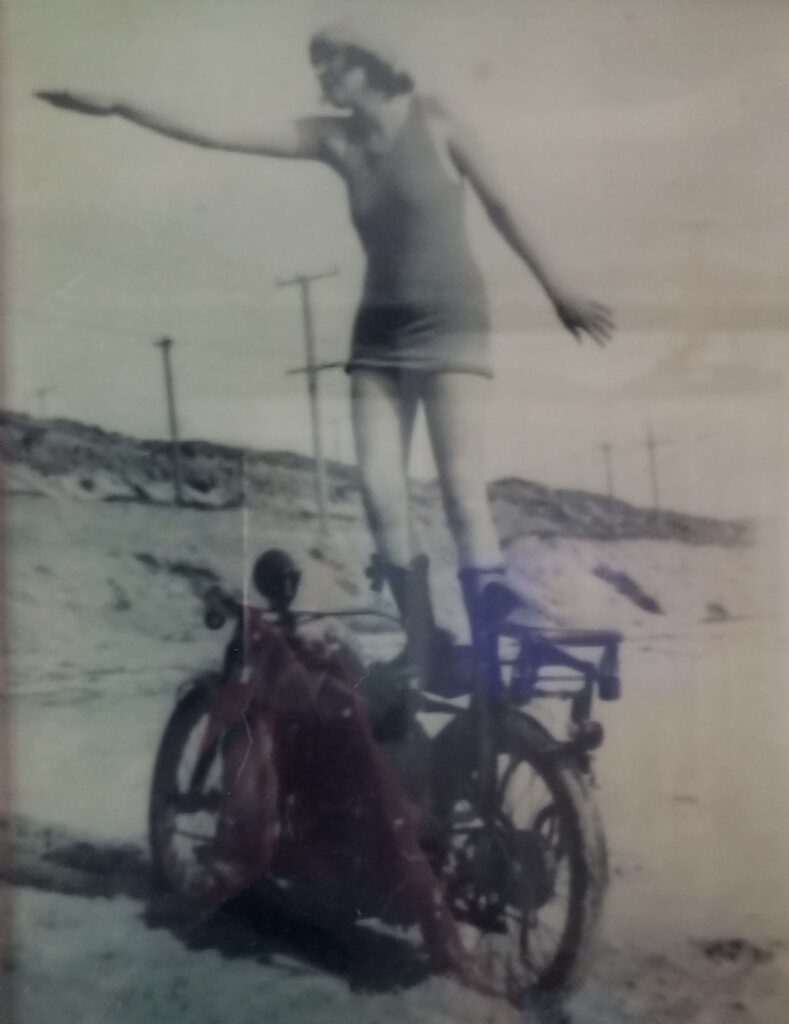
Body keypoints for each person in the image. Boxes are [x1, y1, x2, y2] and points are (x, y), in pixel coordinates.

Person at [37, 17, 613, 688]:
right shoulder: (332, 138)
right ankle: (423, 639)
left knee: (459, 488)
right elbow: (217, 131)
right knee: (375, 488)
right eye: (319, 66)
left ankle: (487, 644)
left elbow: (504, 206)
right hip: (378, 333)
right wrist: (117, 106)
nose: (322, 77)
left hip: (452, 321)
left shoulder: (436, 121)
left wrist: (559, 290)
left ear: (371, 63)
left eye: (332, 63)